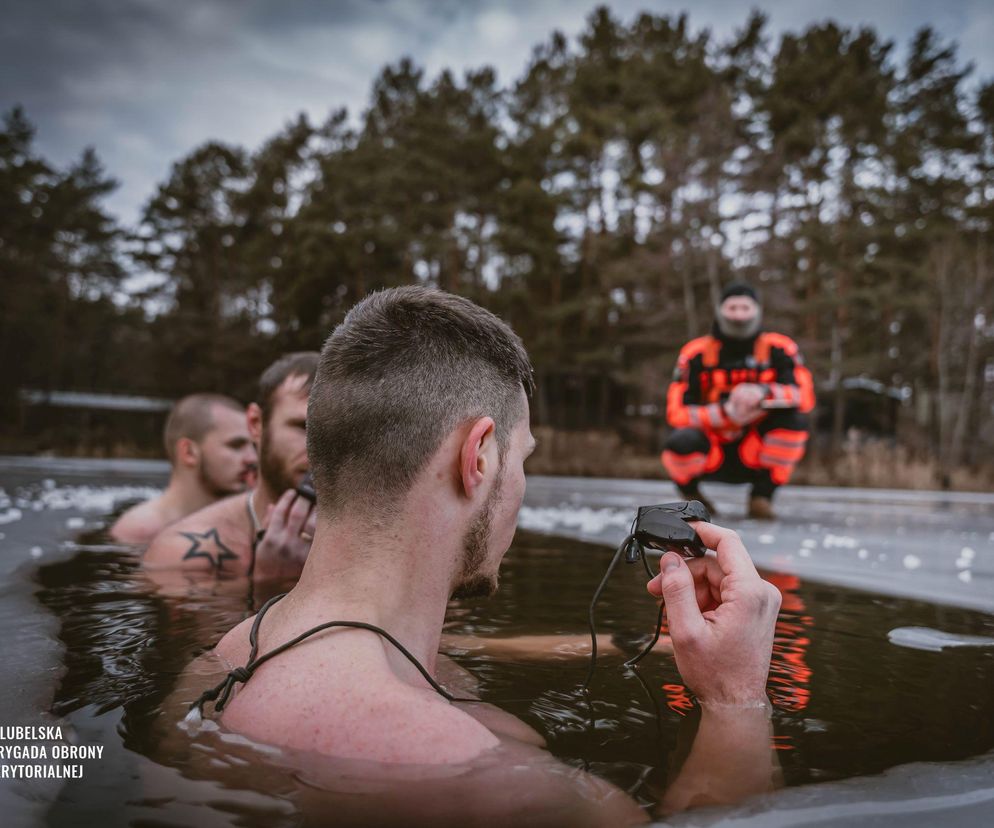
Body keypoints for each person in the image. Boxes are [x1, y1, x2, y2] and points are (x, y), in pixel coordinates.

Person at [175, 287, 782, 823]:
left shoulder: (226, 658)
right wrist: (736, 699)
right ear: (481, 458)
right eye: (524, 459)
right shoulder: (485, 783)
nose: (520, 485)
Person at [142, 352, 319, 581]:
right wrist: (271, 582)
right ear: (256, 424)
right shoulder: (183, 554)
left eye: (340, 431)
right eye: (304, 427)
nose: (324, 447)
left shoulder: (375, 540)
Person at [661, 283, 815, 519]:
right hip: (712, 451)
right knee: (679, 441)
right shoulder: (695, 353)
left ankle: (761, 497)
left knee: (794, 422)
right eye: (733, 307)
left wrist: (763, 393)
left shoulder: (780, 348)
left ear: (757, 311)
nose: (739, 315)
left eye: (746, 307)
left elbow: (804, 397)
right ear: (720, 310)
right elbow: (676, 412)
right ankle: (693, 500)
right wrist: (726, 413)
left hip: (754, 450)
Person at [110, 394, 257, 545]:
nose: (253, 458)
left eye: (254, 446)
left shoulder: (252, 523)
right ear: (189, 452)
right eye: (235, 445)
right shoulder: (143, 530)